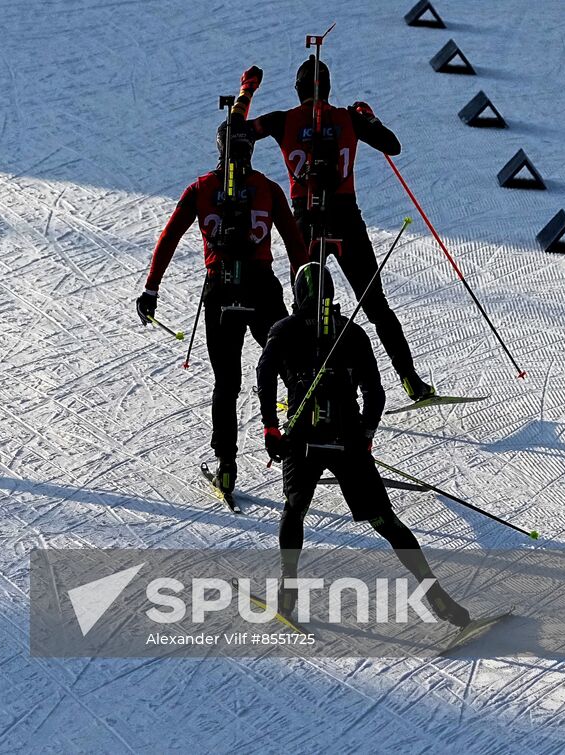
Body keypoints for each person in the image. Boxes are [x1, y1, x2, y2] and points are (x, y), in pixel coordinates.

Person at [256, 261, 468, 626]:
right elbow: (375, 394)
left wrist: (271, 427)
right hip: (348, 439)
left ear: (298, 294)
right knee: (386, 521)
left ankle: (287, 589)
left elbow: (264, 372)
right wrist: (366, 435)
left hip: (303, 438)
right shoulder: (352, 333)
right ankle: (437, 596)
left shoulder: (284, 329)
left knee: (295, 507)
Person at [137, 95, 308, 500]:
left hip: (220, 291)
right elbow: (296, 244)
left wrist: (151, 287)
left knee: (226, 384)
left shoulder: (201, 188)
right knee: (290, 369)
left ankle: (227, 467)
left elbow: (170, 236)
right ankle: (303, 448)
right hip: (262, 287)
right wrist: (307, 295)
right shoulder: (266, 188)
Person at [243, 60, 436, 401]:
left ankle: (300, 386)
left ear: (298, 90)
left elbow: (236, 134)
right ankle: (410, 380)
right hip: (346, 219)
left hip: (304, 221)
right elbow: (392, 145)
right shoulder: (349, 117)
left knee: (304, 310)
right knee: (376, 305)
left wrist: (247, 93)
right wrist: (368, 116)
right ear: (328, 88)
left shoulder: (282, 120)